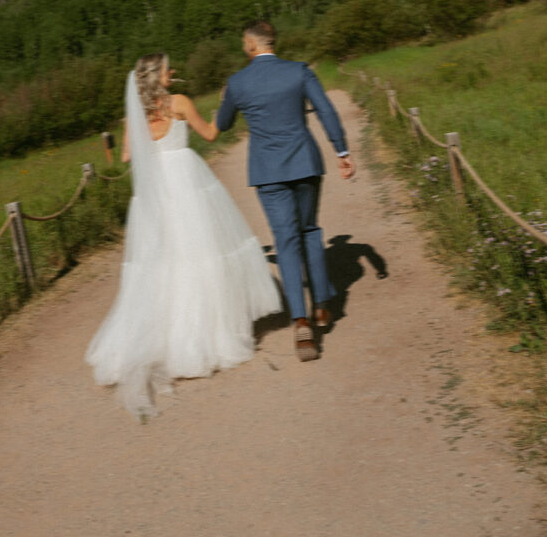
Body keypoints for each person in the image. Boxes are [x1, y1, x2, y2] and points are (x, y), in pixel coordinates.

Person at [85, 53, 281, 417]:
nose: (172, 72)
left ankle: (163, 339)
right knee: (201, 254)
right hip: (187, 183)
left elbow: (127, 158)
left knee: (165, 262)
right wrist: (225, 106)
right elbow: (210, 133)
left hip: (156, 192)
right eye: (167, 69)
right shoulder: (179, 103)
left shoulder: (135, 117)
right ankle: (204, 338)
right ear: (157, 75)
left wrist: (149, 146)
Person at [216, 21, 355, 362]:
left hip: (268, 172)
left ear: (250, 45)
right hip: (305, 164)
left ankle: (301, 320)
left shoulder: (238, 82)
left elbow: (222, 125)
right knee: (310, 230)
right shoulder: (299, 71)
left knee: (285, 241)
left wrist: (228, 100)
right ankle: (322, 304)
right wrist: (341, 151)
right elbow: (325, 109)